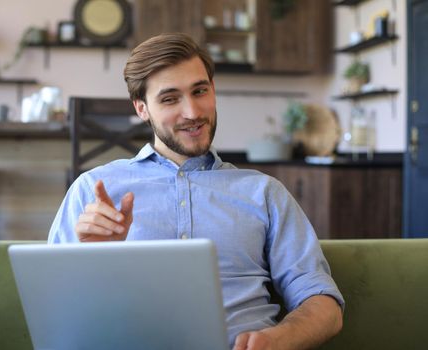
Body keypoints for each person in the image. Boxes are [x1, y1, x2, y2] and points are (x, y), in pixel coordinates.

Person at [48, 32, 344, 350]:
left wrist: (279, 339)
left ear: (213, 90)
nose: (192, 112)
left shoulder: (264, 192)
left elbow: (323, 304)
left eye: (200, 91)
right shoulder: (92, 193)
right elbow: (52, 313)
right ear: (141, 109)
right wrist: (93, 261)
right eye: (170, 98)